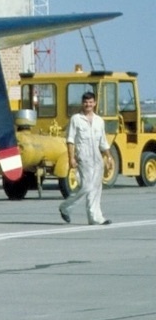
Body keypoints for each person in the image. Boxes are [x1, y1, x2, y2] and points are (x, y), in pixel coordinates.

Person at [58, 91, 111, 228]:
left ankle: (95, 217)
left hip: (97, 158)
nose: (88, 104)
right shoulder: (76, 119)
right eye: (85, 102)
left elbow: (103, 142)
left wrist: (109, 157)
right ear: (82, 103)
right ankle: (65, 207)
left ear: (94, 103)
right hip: (83, 157)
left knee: (96, 188)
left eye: (90, 102)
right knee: (87, 186)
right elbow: (70, 139)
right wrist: (71, 158)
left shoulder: (99, 121)